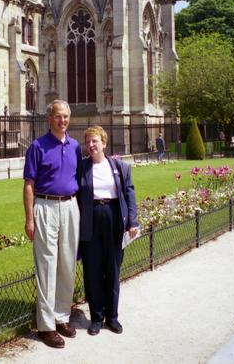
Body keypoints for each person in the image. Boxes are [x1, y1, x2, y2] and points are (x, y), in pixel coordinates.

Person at [23, 99, 82, 349]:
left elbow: (79, 178)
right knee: (47, 266)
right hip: (45, 206)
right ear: (49, 118)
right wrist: (29, 219)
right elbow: (28, 185)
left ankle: (61, 317)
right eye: (58, 116)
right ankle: (46, 326)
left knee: (67, 263)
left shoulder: (76, 146)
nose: (63, 120)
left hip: (70, 206)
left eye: (66, 116)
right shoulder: (37, 146)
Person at [78, 126, 139, 336]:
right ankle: (96, 317)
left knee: (112, 269)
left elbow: (129, 194)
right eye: (88, 142)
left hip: (113, 217)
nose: (91, 145)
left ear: (104, 143)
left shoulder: (119, 167)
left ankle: (112, 317)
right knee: (92, 270)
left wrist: (133, 221)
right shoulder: (82, 168)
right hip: (91, 219)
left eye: (95, 141)